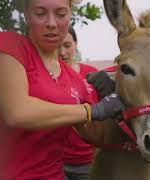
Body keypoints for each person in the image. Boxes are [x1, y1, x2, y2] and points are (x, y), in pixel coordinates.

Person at [0, 0, 125, 179]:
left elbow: (98, 137)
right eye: (40, 13)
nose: (51, 23)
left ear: (70, 15)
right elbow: (17, 112)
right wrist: (91, 110)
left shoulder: (74, 79)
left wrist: (117, 97)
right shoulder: (11, 45)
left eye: (61, 14)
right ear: (27, 15)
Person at [59, 26, 99, 180]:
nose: (62, 52)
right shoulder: (46, 79)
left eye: (67, 45)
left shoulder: (93, 74)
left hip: (88, 161)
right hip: (57, 161)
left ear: (76, 44)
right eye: (57, 47)